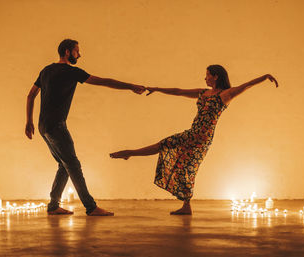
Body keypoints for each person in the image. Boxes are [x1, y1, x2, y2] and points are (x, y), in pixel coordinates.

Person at [110, 65, 278, 215]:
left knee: (166, 145)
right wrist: (157, 88)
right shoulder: (202, 93)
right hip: (194, 131)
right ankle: (186, 206)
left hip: (202, 136)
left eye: (207, 75)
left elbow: (245, 86)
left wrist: (264, 77)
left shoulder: (225, 94)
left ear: (215, 76)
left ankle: (130, 153)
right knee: (186, 166)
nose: (204, 78)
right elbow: (178, 91)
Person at [25, 39, 145, 216]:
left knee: (64, 164)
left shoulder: (46, 71)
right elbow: (104, 81)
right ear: (67, 52)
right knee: (73, 164)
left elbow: (30, 96)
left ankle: (53, 205)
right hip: (57, 125)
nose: (79, 55)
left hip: (43, 126)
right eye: (76, 51)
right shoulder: (71, 72)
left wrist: (29, 121)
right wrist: (130, 86)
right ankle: (91, 207)